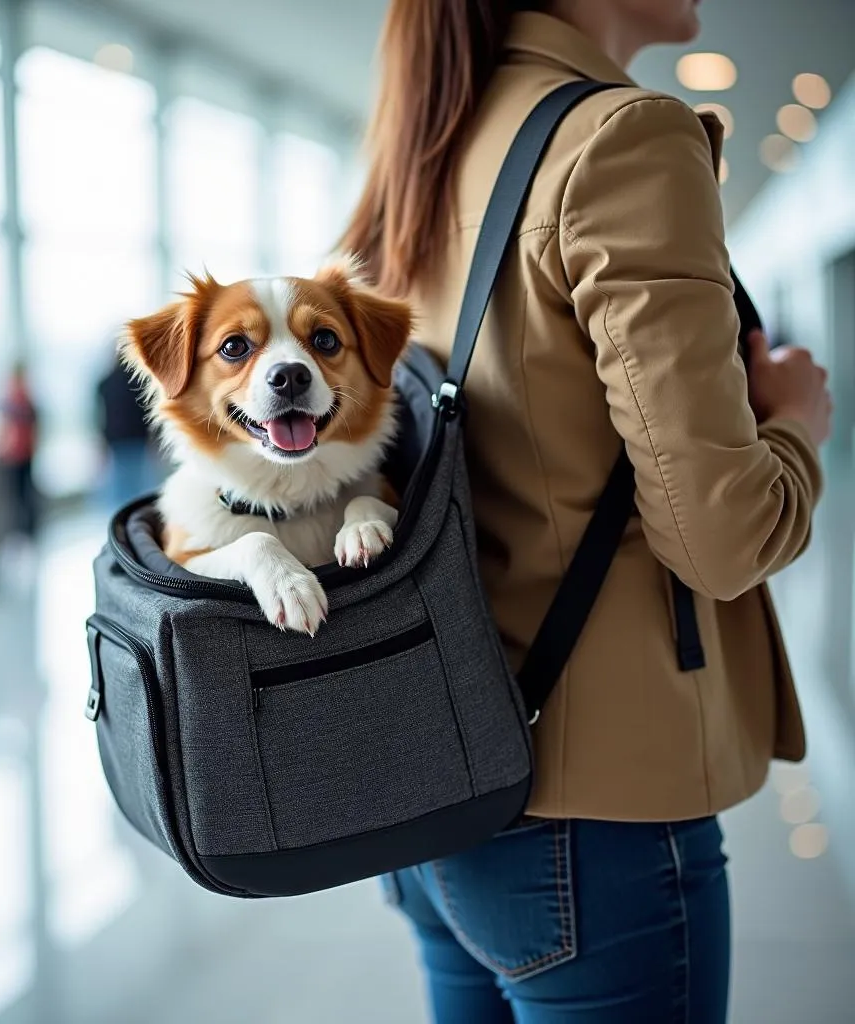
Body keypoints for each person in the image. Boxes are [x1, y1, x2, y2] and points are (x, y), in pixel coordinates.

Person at [342, 2, 832, 1021]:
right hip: (596, 804)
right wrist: (793, 422)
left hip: (439, 782)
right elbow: (722, 535)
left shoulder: (424, 150)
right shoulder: (622, 137)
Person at [95, 354, 161, 510]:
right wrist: (155, 440)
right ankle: (137, 518)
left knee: (120, 488)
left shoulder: (104, 383)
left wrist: (101, 443)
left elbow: (100, 417)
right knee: (140, 486)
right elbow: (149, 414)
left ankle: (120, 521)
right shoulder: (138, 382)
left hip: (115, 440)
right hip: (138, 438)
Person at [0, 362, 38, 538]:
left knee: (19, 496)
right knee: (22, 495)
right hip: (20, 453)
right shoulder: (23, 400)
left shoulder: (14, 400)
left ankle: (22, 531)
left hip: (16, 454)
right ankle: (24, 531)